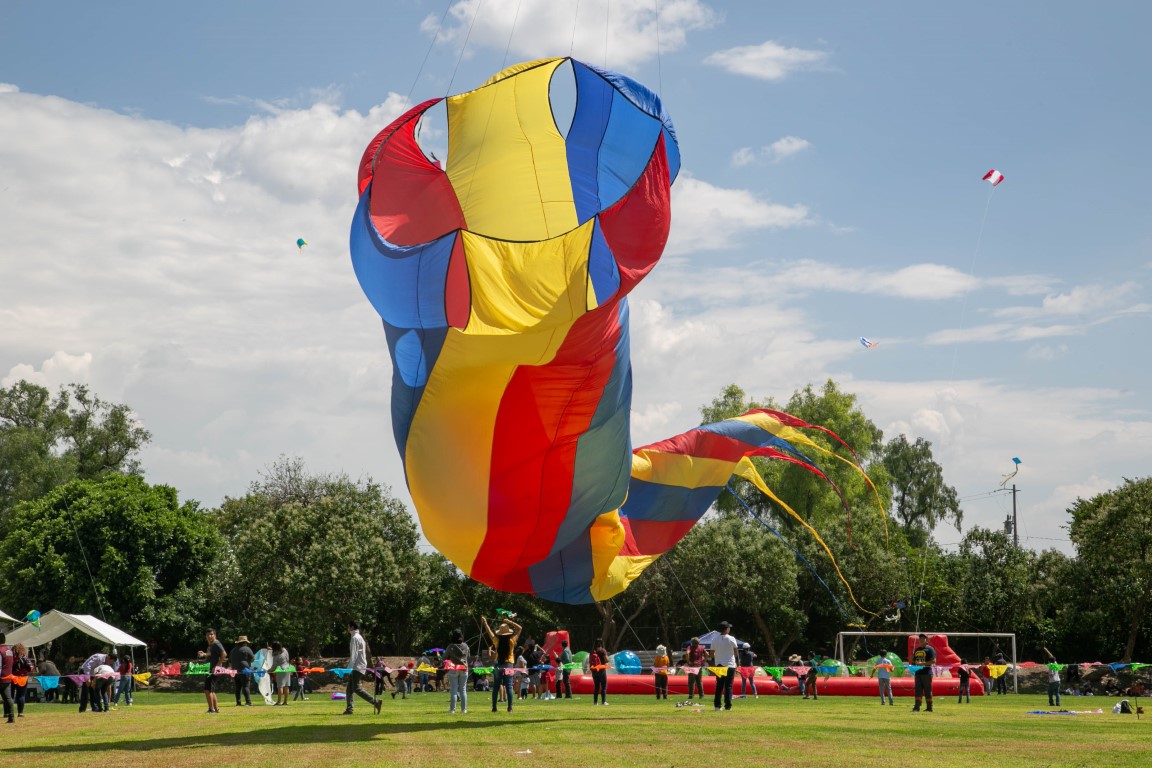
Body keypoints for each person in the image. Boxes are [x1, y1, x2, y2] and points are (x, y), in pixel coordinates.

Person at [481, 615, 521, 713]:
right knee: (509, 686)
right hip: (509, 665)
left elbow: (489, 631)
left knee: (496, 686)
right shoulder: (512, 641)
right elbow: (520, 628)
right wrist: (509, 621)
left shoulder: (496, 641)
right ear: (508, 633)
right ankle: (510, 708)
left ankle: (494, 707)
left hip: (499, 665)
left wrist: (485, 622)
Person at [343, 621, 383, 715]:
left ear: (352, 627)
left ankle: (375, 702)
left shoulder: (354, 638)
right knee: (349, 689)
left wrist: (349, 668)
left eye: (348, 626)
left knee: (355, 688)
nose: (347, 628)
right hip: (360, 665)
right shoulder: (359, 637)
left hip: (357, 666)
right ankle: (349, 709)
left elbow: (354, 654)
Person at [196, 628, 226, 714]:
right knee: (211, 690)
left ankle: (211, 709)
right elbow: (211, 655)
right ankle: (216, 709)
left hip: (214, 670)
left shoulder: (216, 643)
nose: (210, 636)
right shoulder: (211, 645)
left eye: (211, 634)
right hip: (210, 670)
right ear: (206, 636)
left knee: (207, 690)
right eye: (208, 635)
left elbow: (224, 654)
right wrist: (204, 654)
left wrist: (216, 666)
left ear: (215, 635)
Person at [711, 621, 739, 711]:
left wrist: (718, 657)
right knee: (728, 686)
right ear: (726, 629)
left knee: (719, 686)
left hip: (719, 665)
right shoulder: (731, 639)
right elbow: (736, 652)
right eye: (729, 628)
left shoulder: (714, 639)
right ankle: (728, 706)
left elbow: (711, 654)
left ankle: (717, 706)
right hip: (730, 665)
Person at [77, 649, 111, 713]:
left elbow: (98, 671)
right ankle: (82, 709)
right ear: (108, 658)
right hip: (85, 672)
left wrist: (95, 679)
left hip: (93, 674)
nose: (110, 664)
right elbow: (87, 666)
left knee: (94, 690)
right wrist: (87, 678)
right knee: (85, 691)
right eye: (111, 662)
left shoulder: (105, 662)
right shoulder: (98, 658)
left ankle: (95, 708)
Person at [445, 628, 470, 714]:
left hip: (453, 668)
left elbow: (444, 657)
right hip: (464, 668)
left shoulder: (450, 646)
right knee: (463, 690)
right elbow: (468, 656)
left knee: (454, 690)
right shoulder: (466, 646)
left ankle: (452, 709)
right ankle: (464, 709)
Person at [911, 633, 936, 712]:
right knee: (918, 690)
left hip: (927, 673)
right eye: (920, 638)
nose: (921, 639)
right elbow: (914, 661)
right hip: (918, 673)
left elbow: (933, 661)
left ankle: (929, 707)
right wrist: (912, 659)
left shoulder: (930, 649)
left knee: (927, 690)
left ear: (926, 640)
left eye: (923, 638)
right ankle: (917, 706)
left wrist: (922, 664)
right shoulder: (917, 649)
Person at [229, 636, 255, 706]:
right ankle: (248, 702)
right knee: (246, 686)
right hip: (245, 670)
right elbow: (252, 658)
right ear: (245, 642)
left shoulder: (233, 650)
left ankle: (238, 702)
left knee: (238, 687)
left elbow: (230, 661)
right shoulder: (247, 649)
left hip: (235, 670)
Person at [270, 642, 291, 706]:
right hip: (287, 668)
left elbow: (274, 666)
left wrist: (269, 670)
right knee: (286, 686)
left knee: (280, 686)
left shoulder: (275, 656)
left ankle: (279, 702)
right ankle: (285, 701)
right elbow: (288, 659)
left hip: (281, 670)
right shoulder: (284, 650)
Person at [589, 640, 610, 706]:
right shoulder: (602, 650)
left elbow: (590, 661)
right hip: (601, 670)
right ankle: (603, 702)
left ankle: (595, 702)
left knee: (596, 687)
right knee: (603, 686)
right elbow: (606, 660)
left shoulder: (592, 651)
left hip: (594, 671)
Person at [0, 635, 14, 723]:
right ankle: (11, 717)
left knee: (7, 698)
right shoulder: (9, 650)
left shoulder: (0, 650)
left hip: (1, 677)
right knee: (8, 698)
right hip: (8, 677)